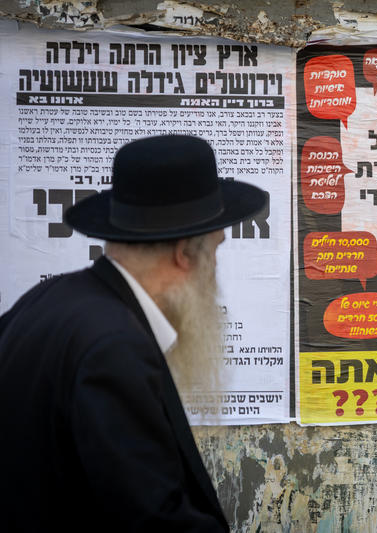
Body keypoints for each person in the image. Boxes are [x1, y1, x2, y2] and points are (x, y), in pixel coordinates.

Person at [0, 135, 266, 532]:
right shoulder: (114, 349)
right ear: (185, 254)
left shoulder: (46, 299)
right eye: (216, 248)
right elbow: (151, 518)